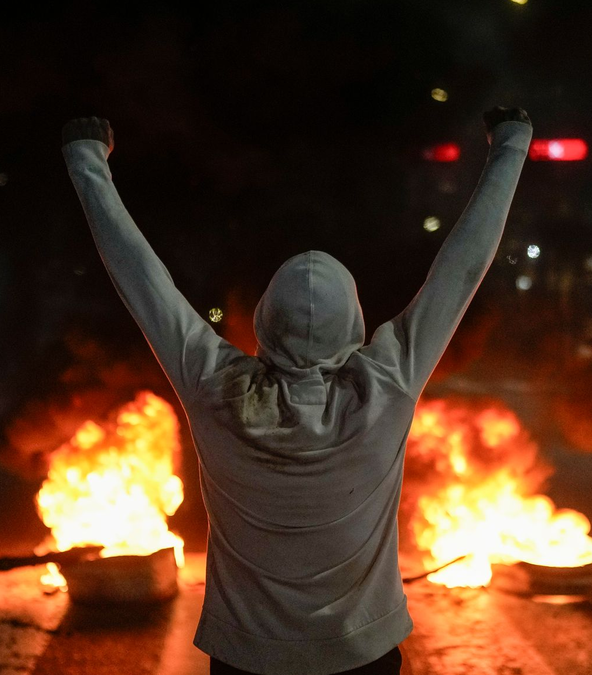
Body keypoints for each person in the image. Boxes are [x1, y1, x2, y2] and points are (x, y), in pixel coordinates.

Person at [61, 107, 532, 675]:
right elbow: (460, 270)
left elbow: (142, 278)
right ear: (354, 321)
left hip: (245, 661)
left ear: (264, 320)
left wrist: (87, 161)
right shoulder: (385, 384)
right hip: (363, 656)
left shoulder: (216, 387)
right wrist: (510, 147)